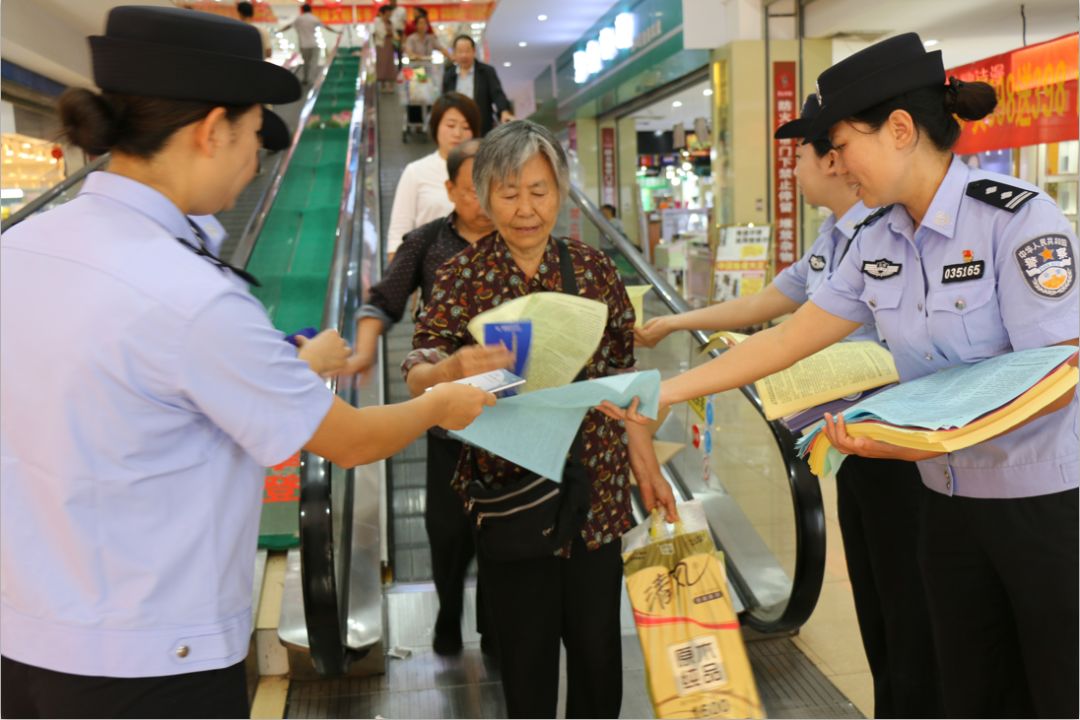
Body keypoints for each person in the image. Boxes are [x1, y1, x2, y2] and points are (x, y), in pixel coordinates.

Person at [0, 8, 493, 718]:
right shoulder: (191, 297)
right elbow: (349, 442)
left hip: (25, 644)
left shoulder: (24, 248)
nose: (255, 158)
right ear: (211, 129)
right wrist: (440, 404)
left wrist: (282, 362)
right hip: (155, 664)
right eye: (254, 131)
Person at [605, 33, 1078, 720]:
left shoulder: (1016, 219)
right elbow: (790, 338)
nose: (833, 162)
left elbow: (1054, 374)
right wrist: (659, 392)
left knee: (1057, 691)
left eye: (839, 143)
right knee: (971, 693)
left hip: (1041, 506)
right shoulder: (877, 239)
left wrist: (912, 437)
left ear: (899, 130)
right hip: (946, 510)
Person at [636, 93, 943, 718]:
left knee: (913, 613)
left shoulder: (897, 229)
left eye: (805, 152)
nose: (797, 167)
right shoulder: (838, 238)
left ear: (835, 159)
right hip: (850, 441)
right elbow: (771, 312)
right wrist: (675, 326)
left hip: (906, 447)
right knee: (879, 607)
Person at [403, 120, 678, 718]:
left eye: (540, 190)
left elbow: (623, 382)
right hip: (510, 492)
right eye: (509, 193)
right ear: (482, 194)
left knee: (599, 654)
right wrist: (453, 367)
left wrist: (647, 467)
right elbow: (417, 373)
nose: (526, 209)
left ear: (559, 193)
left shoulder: (593, 270)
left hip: (596, 485)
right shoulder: (462, 278)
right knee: (525, 664)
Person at [346, 139, 495, 656]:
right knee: (447, 528)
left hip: (510, 411)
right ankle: (449, 611)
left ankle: (497, 624)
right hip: (446, 410)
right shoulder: (427, 242)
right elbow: (385, 298)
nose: (488, 199)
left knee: (503, 532)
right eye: (475, 188)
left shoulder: (519, 241)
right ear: (450, 189)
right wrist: (362, 349)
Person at [386, 92, 480, 257]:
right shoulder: (415, 171)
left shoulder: (486, 172)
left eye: (466, 127)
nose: (457, 133)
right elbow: (398, 234)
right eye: (450, 125)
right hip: (430, 273)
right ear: (436, 126)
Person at [441, 35, 513, 137]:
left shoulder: (487, 72)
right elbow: (444, 100)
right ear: (455, 53)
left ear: (474, 51)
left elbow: (497, 94)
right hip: (456, 129)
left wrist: (504, 111)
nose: (464, 55)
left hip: (481, 126)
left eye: (467, 51)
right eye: (460, 51)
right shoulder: (449, 75)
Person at [277, 3, 338, 85]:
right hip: (314, 44)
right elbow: (326, 27)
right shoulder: (314, 18)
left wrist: (278, 31)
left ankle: (305, 79)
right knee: (313, 63)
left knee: (306, 62)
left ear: (302, 10)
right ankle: (312, 80)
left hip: (303, 45)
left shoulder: (299, 19)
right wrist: (336, 32)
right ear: (310, 10)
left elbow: (288, 26)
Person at [373, 4, 397, 93]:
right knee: (382, 63)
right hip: (381, 45)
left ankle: (390, 84)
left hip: (390, 45)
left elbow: (393, 33)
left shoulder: (390, 22)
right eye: (387, 13)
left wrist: (392, 35)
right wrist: (389, 33)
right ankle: (382, 84)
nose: (389, 15)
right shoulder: (377, 21)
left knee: (390, 64)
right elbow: (380, 33)